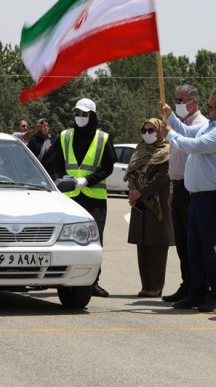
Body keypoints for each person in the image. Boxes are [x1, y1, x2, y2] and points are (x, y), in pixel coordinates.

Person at [159, 87, 216, 312]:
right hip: (199, 197)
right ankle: (197, 292)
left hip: (215, 197)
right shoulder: (210, 125)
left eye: (213, 107)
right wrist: (171, 117)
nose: (209, 110)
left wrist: (169, 134)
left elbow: (193, 145)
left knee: (212, 248)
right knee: (194, 247)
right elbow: (188, 131)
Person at [53, 98, 117, 297]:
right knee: (64, 239)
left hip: (94, 198)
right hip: (69, 196)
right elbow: (53, 161)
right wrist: (60, 178)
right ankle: (62, 279)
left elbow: (107, 166)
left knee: (94, 241)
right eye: (77, 113)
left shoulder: (103, 138)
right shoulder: (64, 136)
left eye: (84, 114)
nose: (80, 118)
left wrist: (88, 180)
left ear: (93, 116)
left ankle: (92, 282)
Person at [162, 85, 208, 303]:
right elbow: (174, 162)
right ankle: (187, 283)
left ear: (194, 102)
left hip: (192, 189)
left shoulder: (200, 125)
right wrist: (172, 189)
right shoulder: (177, 126)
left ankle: (197, 287)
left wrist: (171, 130)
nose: (178, 104)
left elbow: (190, 148)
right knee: (181, 241)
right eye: (176, 100)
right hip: (178, 187)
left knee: (193, 242)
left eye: (182, 100)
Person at [125, 118, 174, 298]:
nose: (147, 134)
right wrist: (132, 191)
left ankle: (156, 286)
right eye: (144, 130)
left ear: (160, 131)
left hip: (158, 204)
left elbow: (162, 177)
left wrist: (141, 192)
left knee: (157, 246)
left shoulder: (167, 150)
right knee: (142, 244)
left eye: (151, 130)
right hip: (139, 204)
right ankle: (145, 285)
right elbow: (130, 173)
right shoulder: (139, 150)